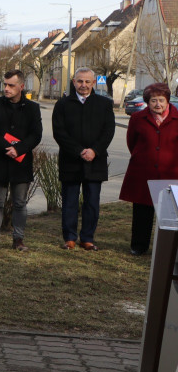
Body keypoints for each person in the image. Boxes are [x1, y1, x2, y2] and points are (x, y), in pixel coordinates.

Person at [51, 67, 115, 251]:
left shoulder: (104, 104)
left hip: (96, 161)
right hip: (71, 160)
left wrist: (94, 150)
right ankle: (70, 238)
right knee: (69, 202)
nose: (84, 85)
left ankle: (87, 238)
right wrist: (79, 151)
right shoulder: (62, 104)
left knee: (92, 203)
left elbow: (108, 131)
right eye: (80, 81)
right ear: (73, 82)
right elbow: (59, 133)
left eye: (87, 81)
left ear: (93, 83)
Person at [0, 69, 42, 251]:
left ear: (21, 87)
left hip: (21, 163)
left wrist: (19, 149)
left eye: (11, 85)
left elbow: (36, 135)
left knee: (20, 203)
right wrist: (7, 148)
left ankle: (18, 239)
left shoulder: (32, 108)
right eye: (5, 84)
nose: (6, 88)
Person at [119, 82, 178, 255]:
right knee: (142, 212)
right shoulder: (137, 119)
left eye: (161, 100)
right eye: (153, 101)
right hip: (143, 172)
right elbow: (132, 143)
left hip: (171, 173)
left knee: (169, 214)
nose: (158, 104)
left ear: (168, 101)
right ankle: (139, 246)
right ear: (147, 102)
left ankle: (167, 249)